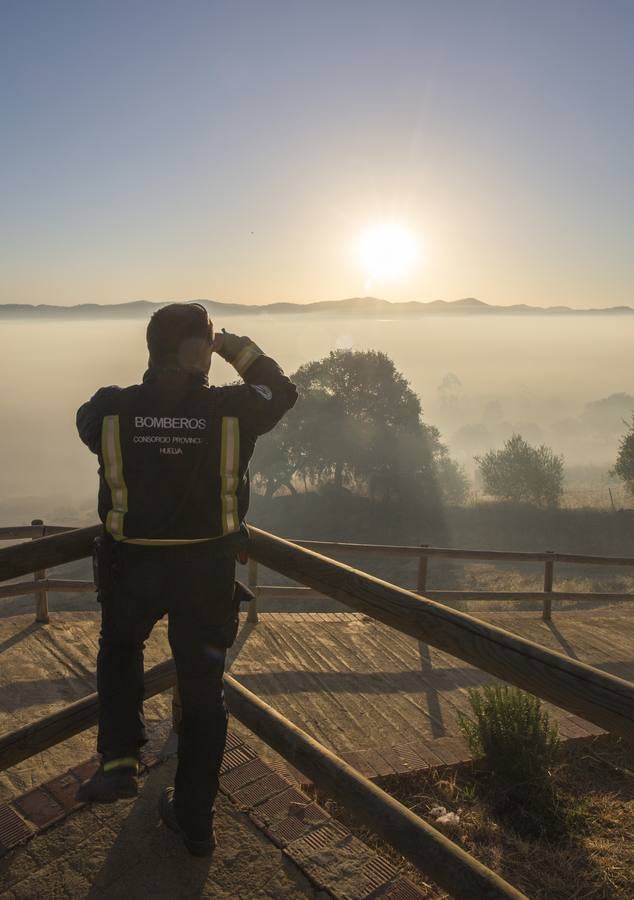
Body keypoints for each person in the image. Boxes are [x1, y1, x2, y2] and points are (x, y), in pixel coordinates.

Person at [75, 302, 297, 856]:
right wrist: (237, 349)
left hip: (132, 570)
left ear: (152, 348)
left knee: (120, 649)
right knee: (203, 697)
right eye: (207, 343)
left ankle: (120, 761)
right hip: (205, 573)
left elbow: (84, 425)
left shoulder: (108, 407)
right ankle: (194, 819)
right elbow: (281, 391)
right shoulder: (232, 408)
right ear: (199, 350)